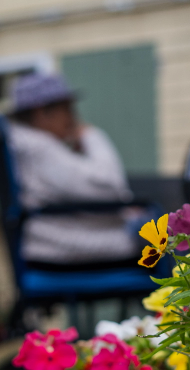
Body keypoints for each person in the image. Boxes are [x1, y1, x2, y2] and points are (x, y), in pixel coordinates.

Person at [7, 73, 154, 270]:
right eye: (67, 108)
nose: (73, 117)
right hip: (61, 248)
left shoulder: (23, 144)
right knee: (166, 242)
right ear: (42, 113)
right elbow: (110, 186)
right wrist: (91, 135)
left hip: (51, 240)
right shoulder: (38, 148)